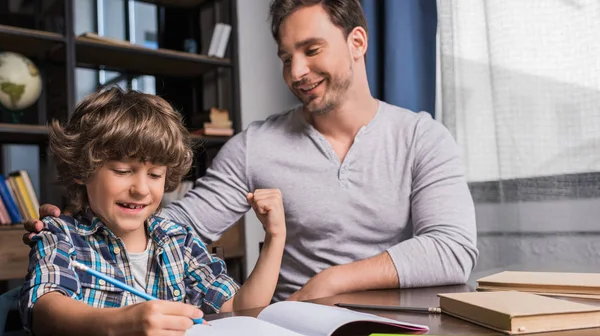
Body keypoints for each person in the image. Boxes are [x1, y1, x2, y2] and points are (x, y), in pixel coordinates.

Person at [26, 0, 477, 303]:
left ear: (356, 42)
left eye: (311, 50)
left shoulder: (422, 136)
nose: (297, 72)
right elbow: (171, 223)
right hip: (293, 332)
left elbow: (452, 250)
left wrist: (332, 280)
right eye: (286, 57)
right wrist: (76, 223)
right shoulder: (256, 146)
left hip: (397, 325)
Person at [19, 87, 286, 336]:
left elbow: (240, 310)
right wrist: (117, 326)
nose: (141, 189)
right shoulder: (60, 235)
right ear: (82, 170)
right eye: (123, 171)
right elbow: (43, 307)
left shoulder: (178, 240)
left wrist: (275, 238)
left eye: (155, 175)